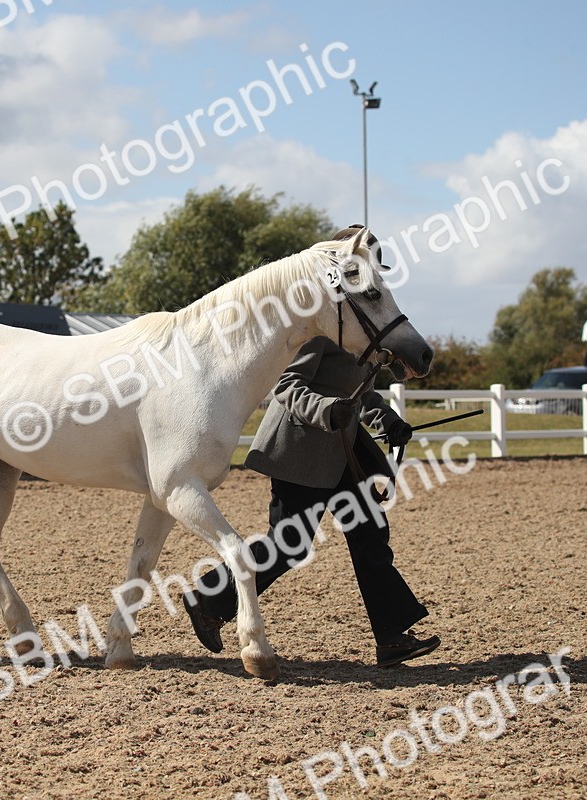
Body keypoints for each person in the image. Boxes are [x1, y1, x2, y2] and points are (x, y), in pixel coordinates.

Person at [181, 228, 439, 668]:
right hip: (301, 447)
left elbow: (357, 388)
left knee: (370, 536)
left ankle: (392, 637)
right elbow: (287, 386)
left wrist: (386, 420)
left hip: (344, 449)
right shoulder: (322, 325)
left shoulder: (360, 322)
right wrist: (328, 412)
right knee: (291, 545)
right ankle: (210, 600)